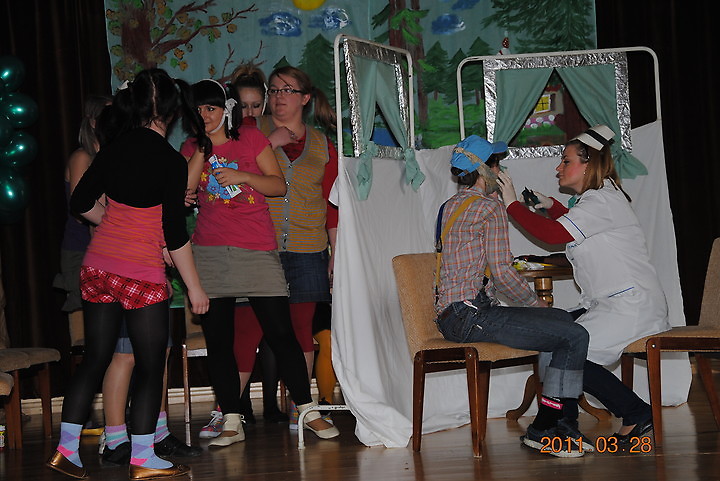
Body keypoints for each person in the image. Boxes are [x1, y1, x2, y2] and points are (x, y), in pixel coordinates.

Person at [46, 68, 210, 481]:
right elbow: (174, 234)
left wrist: (112, 225)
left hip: (97, 267)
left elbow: (80, 201)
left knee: (95, 359)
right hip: (139, 273)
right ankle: (143, 458)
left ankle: (66, 451)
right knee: (151, 365)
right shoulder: (169, 161)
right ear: (171, 112)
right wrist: (194, 288)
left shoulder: (113, 148)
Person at [182, 78, 339, 447]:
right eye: (198, 110)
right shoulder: (191, 147)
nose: (205, 116)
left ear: (227, 110)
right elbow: (183, 192)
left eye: (211, 108)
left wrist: (242, 176)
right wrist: (202, 150)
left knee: (282, 333)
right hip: (210, 253)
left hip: (257, 249)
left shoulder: (251, 139)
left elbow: (278, 185)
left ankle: (307, 409)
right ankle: (231, 419)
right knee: (220, 341)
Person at [496, 124, 669, 444]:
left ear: (589, 164)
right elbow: (579, 226)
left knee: (568, 350)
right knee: (553, 341)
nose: (558, 168)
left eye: (566, 161)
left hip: (631, 306)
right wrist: (552, 206)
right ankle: (563, 423)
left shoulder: (601, 201)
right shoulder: (599, 199)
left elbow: (554, 235)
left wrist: (512, 205)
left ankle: (634, 414)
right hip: (610, 304)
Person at [436, 135, 591, 457]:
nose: (502, 169)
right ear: (487, 170)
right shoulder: (489, 207)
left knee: (561, 322)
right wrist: (536, 303)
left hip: (454, 315)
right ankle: (548, 427)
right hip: (471, 315)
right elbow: (503, 273)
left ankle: (559, 420)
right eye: (497, 164)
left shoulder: (450, 205)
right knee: (573, 334)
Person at [253, 65, 339, 424]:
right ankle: (231, 411)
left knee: (302, 328)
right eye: (273, 90)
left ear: (305, 98)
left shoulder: (322, 144)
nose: (278, 97)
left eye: (287, 90)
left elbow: (332, 203)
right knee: (254, 329)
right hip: (260, 246)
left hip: (308, 247)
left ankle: (300, 408)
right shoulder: (252, 133)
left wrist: (335, 254)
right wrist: (268, 143)